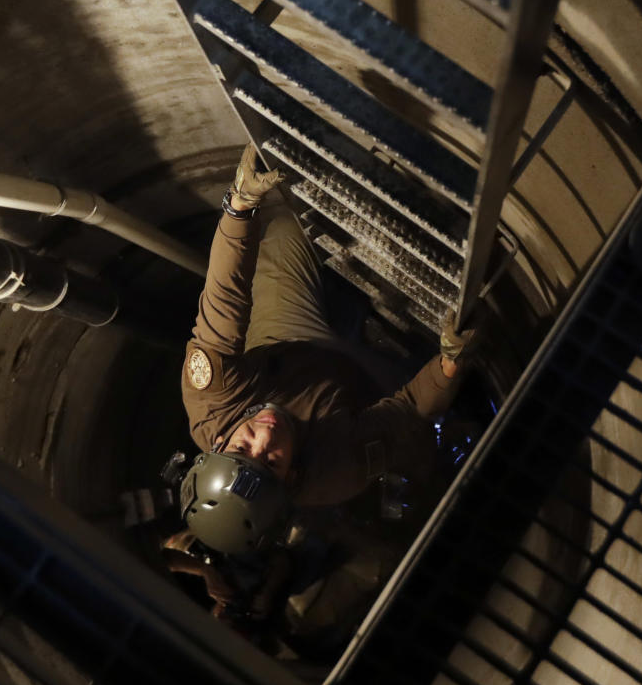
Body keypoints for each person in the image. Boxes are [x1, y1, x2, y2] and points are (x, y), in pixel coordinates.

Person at [178, 143, 480, 557]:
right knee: (429, 411)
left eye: (244, 447)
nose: (265, 435)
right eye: (271, 460)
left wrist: (239, 207)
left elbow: (225, 300)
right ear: (292, 476)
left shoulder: (212, 398)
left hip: (289, 343)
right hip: (362, 386)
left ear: (218, 445)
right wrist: (449, 363)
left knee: (285, 225)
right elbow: (407, 410)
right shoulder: (334, 474)